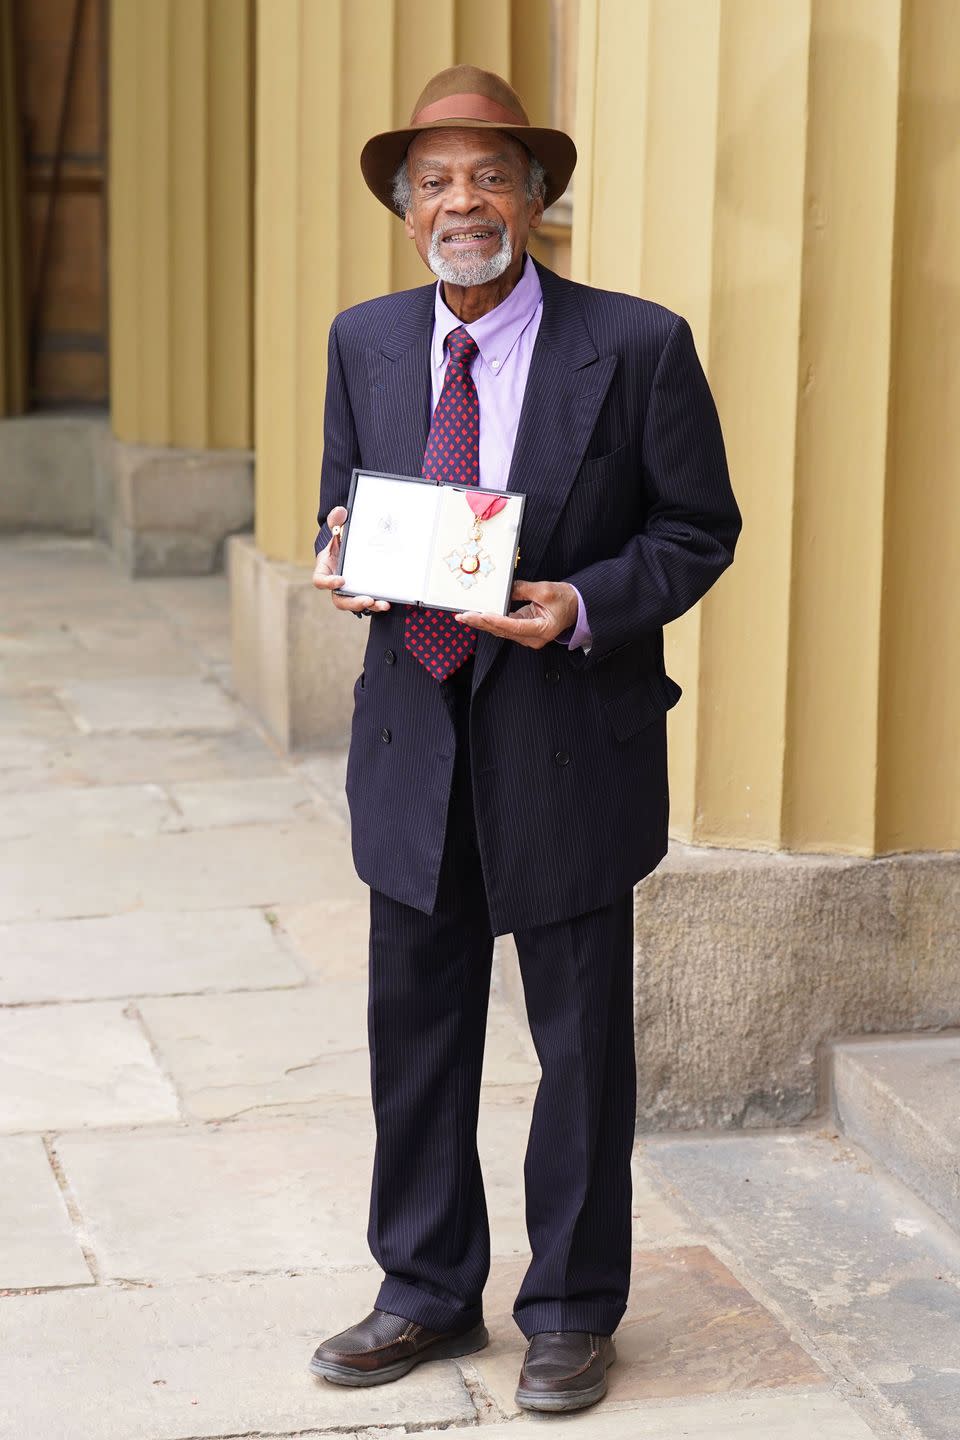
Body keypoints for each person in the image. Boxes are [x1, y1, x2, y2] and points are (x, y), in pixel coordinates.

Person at [308, 65, 741, 1414]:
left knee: (580, 1055)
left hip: (568, 746)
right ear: (403, 208)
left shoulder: (642, 344)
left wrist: (584, 603)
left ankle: (570, 1308)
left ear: (537, 198)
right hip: (414, 750)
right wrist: (343, 554)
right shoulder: (367, 341)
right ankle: (424, 1292)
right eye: (434, 180)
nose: (462, 202)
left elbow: (696, 530)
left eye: (489, 174)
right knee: (417, 1042)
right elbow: (346, 502)